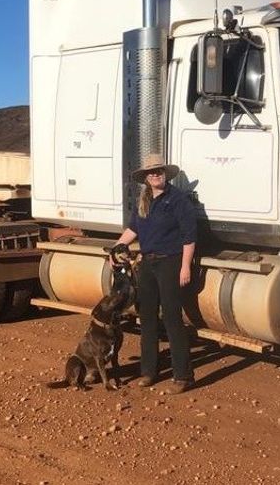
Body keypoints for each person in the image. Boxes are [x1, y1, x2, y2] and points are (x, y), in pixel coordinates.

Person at [114, 153, 197, 393]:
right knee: (147, 318)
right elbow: (133, 229)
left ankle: (183, 377)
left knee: (172, 319)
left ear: (165, 174)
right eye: (150, 172)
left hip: (170, 263)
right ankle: (149, 371)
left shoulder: (179, 200)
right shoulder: (144, 200)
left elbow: (189, 236)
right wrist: (116, 249)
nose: (155, 175)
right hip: (147, 264)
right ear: (146, 178)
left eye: (158, 171)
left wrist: (185, 266)